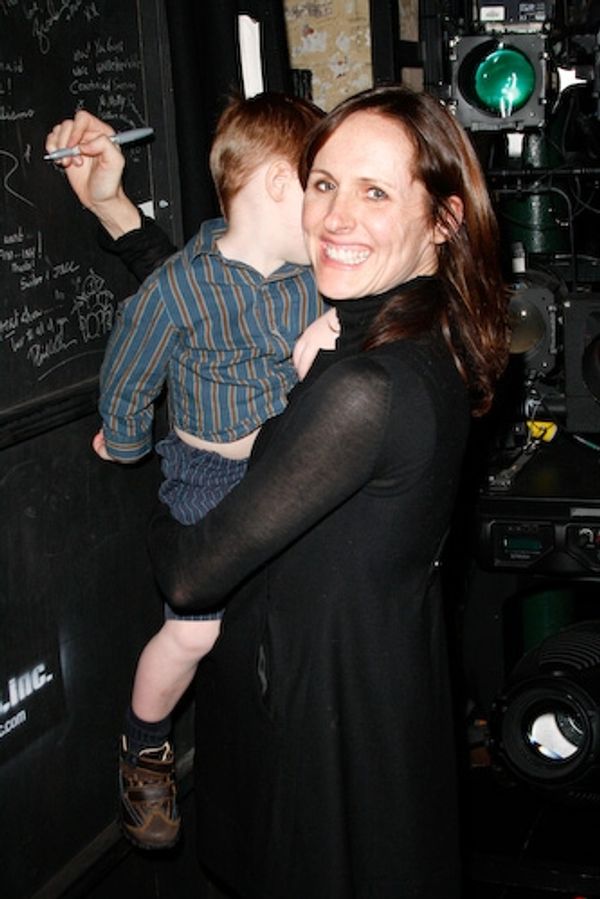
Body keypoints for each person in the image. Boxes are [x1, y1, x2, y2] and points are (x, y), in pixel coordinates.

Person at [146, 84, 510, 899]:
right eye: (323, 184)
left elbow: (190, 575)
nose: (336, 217)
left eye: (375, 192)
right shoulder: (397, 332)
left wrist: (173, 473)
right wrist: (117, 216)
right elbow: (212, 297)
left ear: (443, 219)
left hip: (326, 728)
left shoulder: (367, 387)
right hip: (363, 696)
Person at [46, 94, 337, 852]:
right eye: (322, 187)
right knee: (192, 633)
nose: (330, 213)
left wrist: (321, 345)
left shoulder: (312, 279)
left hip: (286, 473)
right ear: (280, 184)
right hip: (207, 482)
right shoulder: (179, 284)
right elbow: (130, 371)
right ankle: (145, 748)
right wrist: (126, 442)